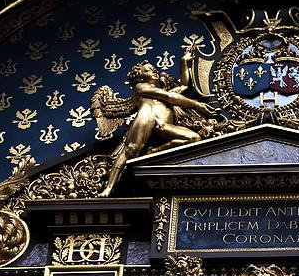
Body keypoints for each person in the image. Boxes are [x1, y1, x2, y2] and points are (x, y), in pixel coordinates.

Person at [92, 48, 217, 196]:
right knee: (130, 151)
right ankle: (109, 188)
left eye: (154, 69)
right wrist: (197, 105)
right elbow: (170, 97)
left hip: (164, 125)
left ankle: (154, 152)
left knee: (194, 138)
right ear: (140, 76)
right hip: (147, 118)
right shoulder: (140, 87)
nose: (154, 71)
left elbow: (183, 85)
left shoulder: (163, 92)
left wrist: (184, 62)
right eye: (149, 70)